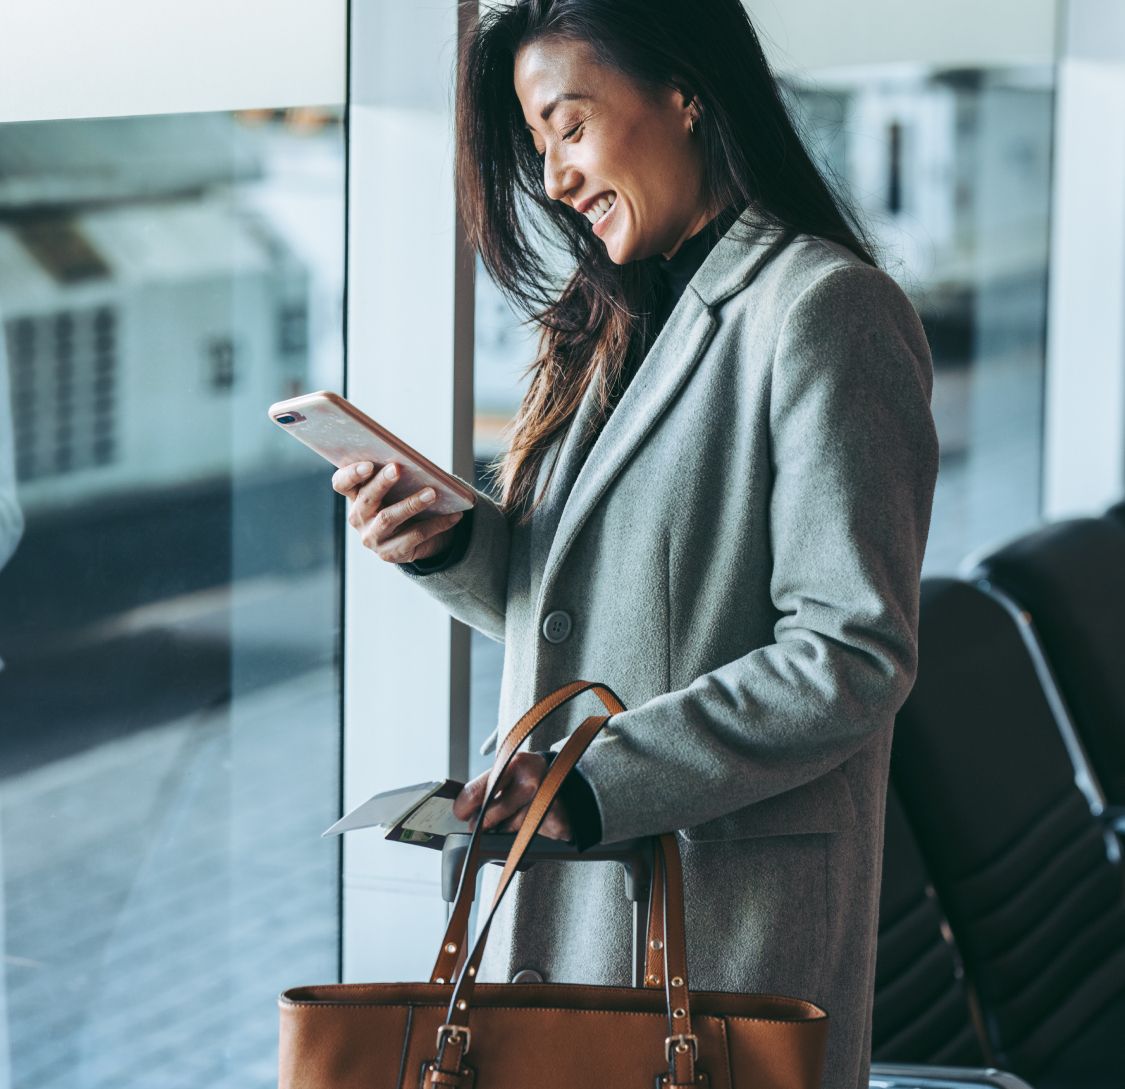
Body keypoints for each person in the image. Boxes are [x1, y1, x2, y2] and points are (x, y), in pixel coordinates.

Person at [332, 2, 939, 1087]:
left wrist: (596, 780)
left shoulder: (826, 311)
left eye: (568, 126)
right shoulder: (611, 318)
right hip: (574, 910)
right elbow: (589, 603)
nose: (554, 178)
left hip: (721, 927)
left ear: (685, 91)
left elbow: (852, 653)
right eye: (537, 146)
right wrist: (449, 545)